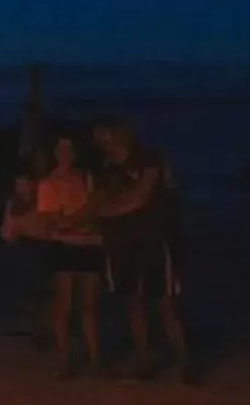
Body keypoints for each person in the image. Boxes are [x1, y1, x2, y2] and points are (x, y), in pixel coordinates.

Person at [90, 119, 191, 381]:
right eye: (98, 137)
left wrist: (113, 208)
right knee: (133, 302)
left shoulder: (149, 158)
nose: (101, 141)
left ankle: (184, 361)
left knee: (165, 303)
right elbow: (99, 202)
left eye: (105, 134)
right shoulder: (105, 169)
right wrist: (114, 207)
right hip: (122, 245)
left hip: (154, 242)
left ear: (120, 133)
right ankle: (144, 359)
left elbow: (141, 196)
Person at [34, 134, 105, 377]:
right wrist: (74, 222)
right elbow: (48, 223)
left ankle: (95, 358)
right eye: (61, 149)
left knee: (90, 305)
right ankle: (65, 359)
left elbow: (95, 214)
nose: (65, 154)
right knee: (64, 305)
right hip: (64, 247)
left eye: (69, 149)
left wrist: (68, 221)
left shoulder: (86, 178)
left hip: (89, 245)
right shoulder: (47, 184)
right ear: (55, 153)